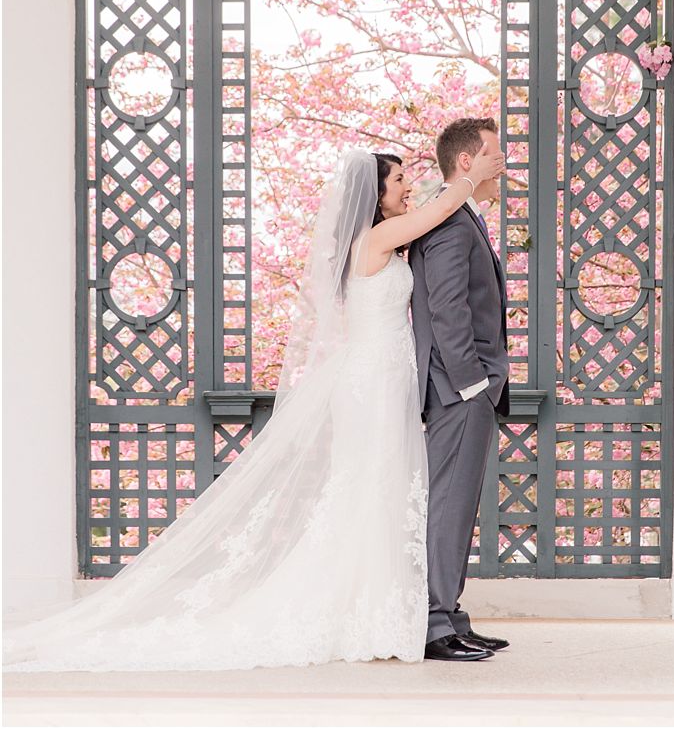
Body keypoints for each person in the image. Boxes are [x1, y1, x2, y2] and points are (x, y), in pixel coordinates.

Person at [4, 143, 504, 671]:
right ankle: (373, 612)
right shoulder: (376, 238)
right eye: (399, 179)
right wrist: (470, 178)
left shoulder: (381, 240)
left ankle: (388, 609)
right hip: (373, 380)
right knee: (373, 488)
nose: (408, 186)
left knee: (380, 491)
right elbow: (439, 211)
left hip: (386, 377)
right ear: (373, 193)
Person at [408, 117, 514, 662]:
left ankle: (452, 616)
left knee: (458, 504)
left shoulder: (459, 217)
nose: (504, 164)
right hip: (458, 390)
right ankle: (433, 625)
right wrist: (473, 382)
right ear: (466, 161)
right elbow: (447, 306)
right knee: (448, 504)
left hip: (463, 389)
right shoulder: (450, 224)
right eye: (496, 154)